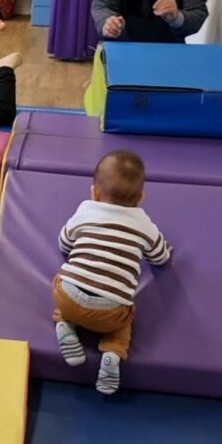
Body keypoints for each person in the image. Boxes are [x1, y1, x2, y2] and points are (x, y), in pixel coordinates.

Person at [53, 150, 172, 395]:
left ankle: (64, 324)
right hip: (110, 312)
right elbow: (161, 257)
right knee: (123, 324)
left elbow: (63, 243)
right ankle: (112, 353)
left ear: (94, 192)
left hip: (69, 297)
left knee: (64, 287)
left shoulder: (85, 210)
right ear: (141, 197)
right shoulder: (143, 223)